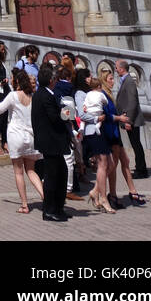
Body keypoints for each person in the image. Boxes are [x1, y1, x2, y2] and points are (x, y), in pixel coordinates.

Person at [0, 69, 45, 214]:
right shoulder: (33, 96)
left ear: (17, 81)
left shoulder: (13, 95)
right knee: (31, 171)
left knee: (19, 173)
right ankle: (46, 198)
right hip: (31, 137)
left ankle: (25, 205)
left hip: (16, 136)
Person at [31, 63, 72, 222]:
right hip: (50, 141)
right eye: (55, 78)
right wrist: (68, 111)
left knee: (61, 174)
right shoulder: (44, 95)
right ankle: (49, 210)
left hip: (53, 141)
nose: (56, 81)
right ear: (50, 80)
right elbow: (54, 117)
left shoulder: (45, 93)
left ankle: (58, 207)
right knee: (52, 177)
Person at [103, 70, 146, 207]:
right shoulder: (103, 95)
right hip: (111, 133)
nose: (112, 81)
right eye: (110, 78)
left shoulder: (109, 94)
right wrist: (122, 118)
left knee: (125, 161)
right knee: (113, 165)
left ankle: (132, 191)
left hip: (116, 132)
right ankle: (101, 191)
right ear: (104, 80)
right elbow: (105, 115)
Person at [81, 75, 114, 215]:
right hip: (94, 131)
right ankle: (103, 197)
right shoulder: (95, 95)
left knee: (110, 164)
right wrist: (96, 118)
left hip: (100, 131)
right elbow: (82, 114)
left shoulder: (88, 95)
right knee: (102, 165)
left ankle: (95, 191)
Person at [52, 61, 84, 200]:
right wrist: (72, 124)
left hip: (62, 126)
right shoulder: (71, 90)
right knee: (71, 159)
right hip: (70, 126)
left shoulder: (55, 90)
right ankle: (68, 188)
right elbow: (71, 110)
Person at [115, 59, 148, 178]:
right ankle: (140, 167)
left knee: (136, 144)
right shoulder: (126, 80)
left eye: (117, 67)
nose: (116, 69)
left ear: (122, 68)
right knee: (135, 144)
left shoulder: (129, 81)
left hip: (131, 119)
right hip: (130, 118)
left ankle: (142, 170)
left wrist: (129, 120)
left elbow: (132, 102)